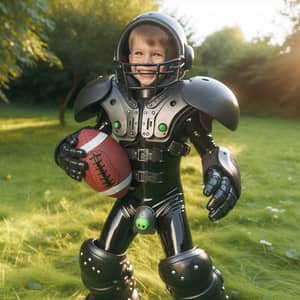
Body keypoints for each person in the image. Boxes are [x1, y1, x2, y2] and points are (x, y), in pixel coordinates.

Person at [55, 12, 241, 300]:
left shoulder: (187, 101)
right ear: (126, 56)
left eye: (156, 54)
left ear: (178, 57)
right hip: (128, 199)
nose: (145, 60)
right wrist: (65, 151)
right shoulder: (111, 97)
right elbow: (92, 140)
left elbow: (210, 148)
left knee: (187, 270)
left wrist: (223, 170)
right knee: (99, 262)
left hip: (168, 201)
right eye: (139, 52)